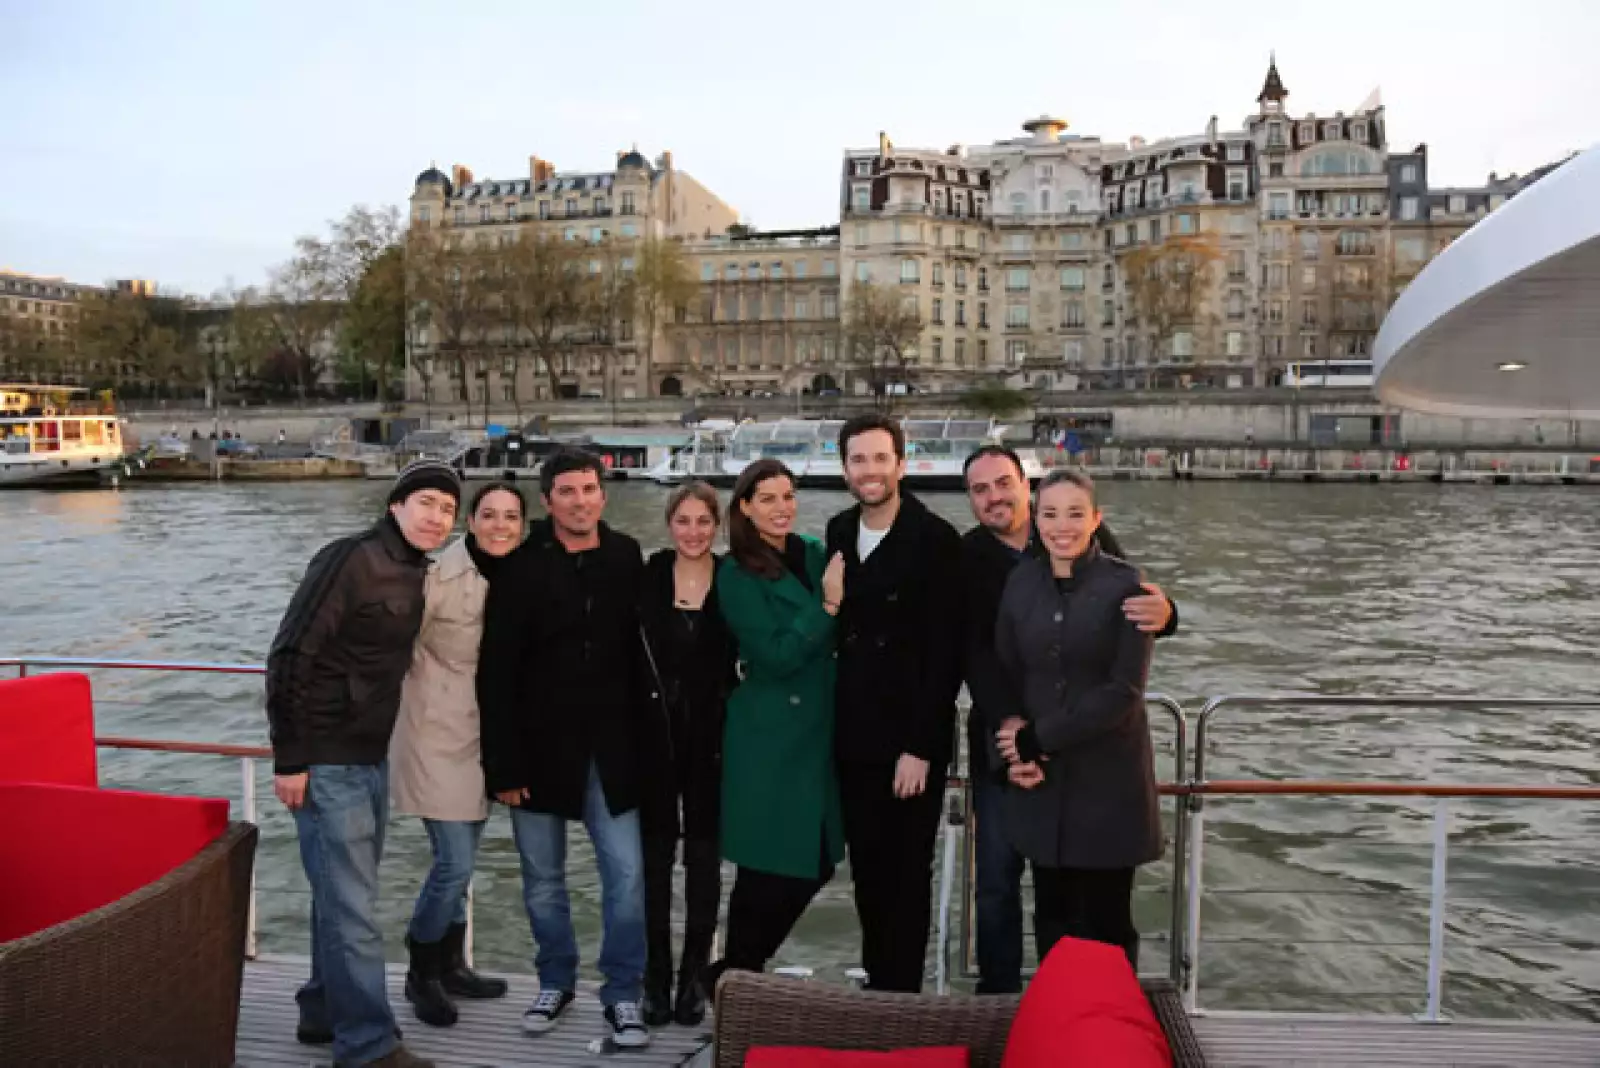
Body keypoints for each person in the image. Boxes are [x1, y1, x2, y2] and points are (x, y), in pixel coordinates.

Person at [265, 458, 462, 1068]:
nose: (437, 517)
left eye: (448, 508)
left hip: (367, 757)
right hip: (326, 762)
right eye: (426, 502)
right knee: (355, 911)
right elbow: (291, 654)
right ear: (395, 506)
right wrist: (292, 758)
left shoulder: (412, 569)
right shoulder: (351, 559)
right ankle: (369, 1047)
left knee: (339, 897)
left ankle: (323, 1008)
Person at [961, 445, 1176, 994]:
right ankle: (1015, 1009)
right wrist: (1012, 745)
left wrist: (1170, 612)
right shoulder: (979, 565)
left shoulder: (1117, 573)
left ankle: (1106, 1032)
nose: (993, 497)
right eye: (979, 489)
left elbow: (1127, 668)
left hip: (1100, 773)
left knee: (1104, 920)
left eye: (1002, 483)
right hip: (1027, 761)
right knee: (1032, 905)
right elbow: (986, 661)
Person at [476, 447, 652, 1049]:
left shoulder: (628, 556)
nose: (581, 501)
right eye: (568, 492)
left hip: (613, 750)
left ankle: (624, 993)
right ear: (547, 501)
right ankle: (555, 979)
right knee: (542, 878)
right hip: (536, 751)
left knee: (626, 876)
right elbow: (495, 673)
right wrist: (502, 764)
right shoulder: (520, 567)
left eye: (590, 489)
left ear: (604, 494)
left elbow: (644, 659)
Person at [823, 414, 964, 993]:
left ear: (901, 465)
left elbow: (945, 657)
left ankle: (900, 997)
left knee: (907, 876)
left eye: (881, 459)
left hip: (910, 740)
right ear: (845, 469)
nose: (870, 470)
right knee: (867, 873)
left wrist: (920, 747)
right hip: (854, 735)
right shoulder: (836, 531)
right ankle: (878, 987)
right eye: (859, 460)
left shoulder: (935, 541)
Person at [388, 483, 525, 1028]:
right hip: (436, 736)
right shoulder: (436, 577)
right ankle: (421, 970)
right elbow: (394, 649)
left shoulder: (520, 575)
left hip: (485, 738)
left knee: (462, 864)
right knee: (453, 864)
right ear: (470, 520)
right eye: (488, 515)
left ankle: (451, 965)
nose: (500, 525)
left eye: (511, 517)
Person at [709, 459, 846, 987]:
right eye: (766, 498)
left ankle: (730, 976)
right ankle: (736, 978)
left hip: (819, 730)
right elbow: (776, 655)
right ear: (744, 507)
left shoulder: (813, 554)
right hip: (768, 735)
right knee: (764, 868)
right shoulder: (736, 573)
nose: (781, 507)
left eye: (787, 495)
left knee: (815, 861)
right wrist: (829, 605)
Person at [638, 481, 737, 1027]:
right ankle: (654, 977)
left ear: (717, 525)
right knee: (654, 864)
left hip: (713, 741)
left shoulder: (732, 580)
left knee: (703, 863)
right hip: (654, 740)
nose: (694, 531)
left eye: (704, 521)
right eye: (684, 521)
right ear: (669, 525)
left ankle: (693, 980)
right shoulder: (649, 575)